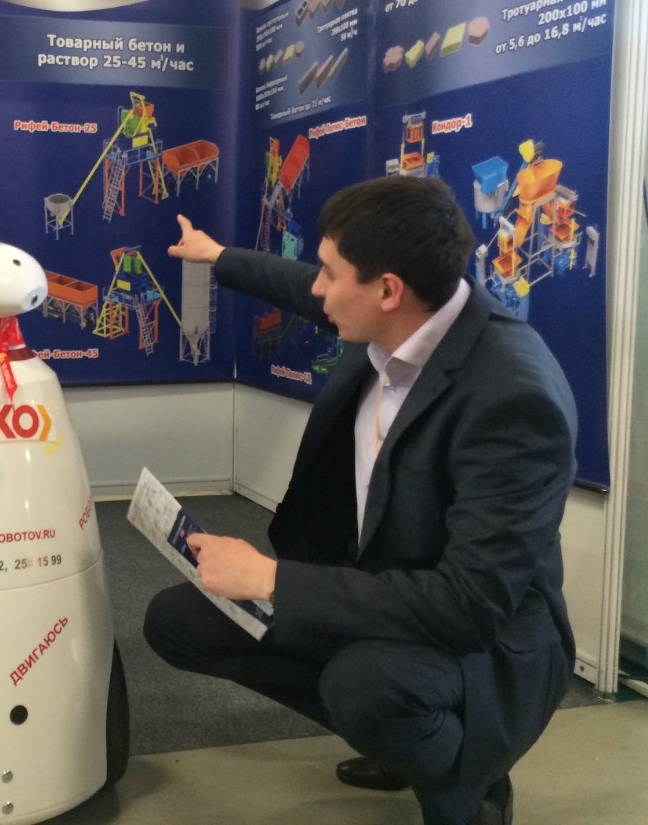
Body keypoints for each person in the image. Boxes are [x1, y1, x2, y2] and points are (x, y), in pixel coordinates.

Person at [144, 175, 576, 825]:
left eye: (329, 273)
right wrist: (216, 256)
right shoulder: (403, 313)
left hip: (482, 638)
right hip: (381, 590)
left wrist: (271, 578)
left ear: (387, 290)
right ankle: (405, 738)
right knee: (179, 622)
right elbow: (302, 287)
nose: (317, 290)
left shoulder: (513, 399)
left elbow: (469, 606)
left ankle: (467, 777)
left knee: (366, 689)